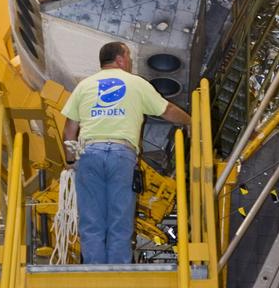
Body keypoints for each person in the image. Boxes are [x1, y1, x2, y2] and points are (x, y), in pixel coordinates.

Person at [62, 41, 191, 265]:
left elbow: (69, 130)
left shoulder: (84, 86)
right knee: (119, 219)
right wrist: (192, 121)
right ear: (120, 59)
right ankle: (118, 273)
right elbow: (167, 110)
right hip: (121, 155)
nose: (130, 61)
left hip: (89, 153)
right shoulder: (135, 83)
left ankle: (94, 274)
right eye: (128, 56)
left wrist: (72, 160)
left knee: (91, 220)